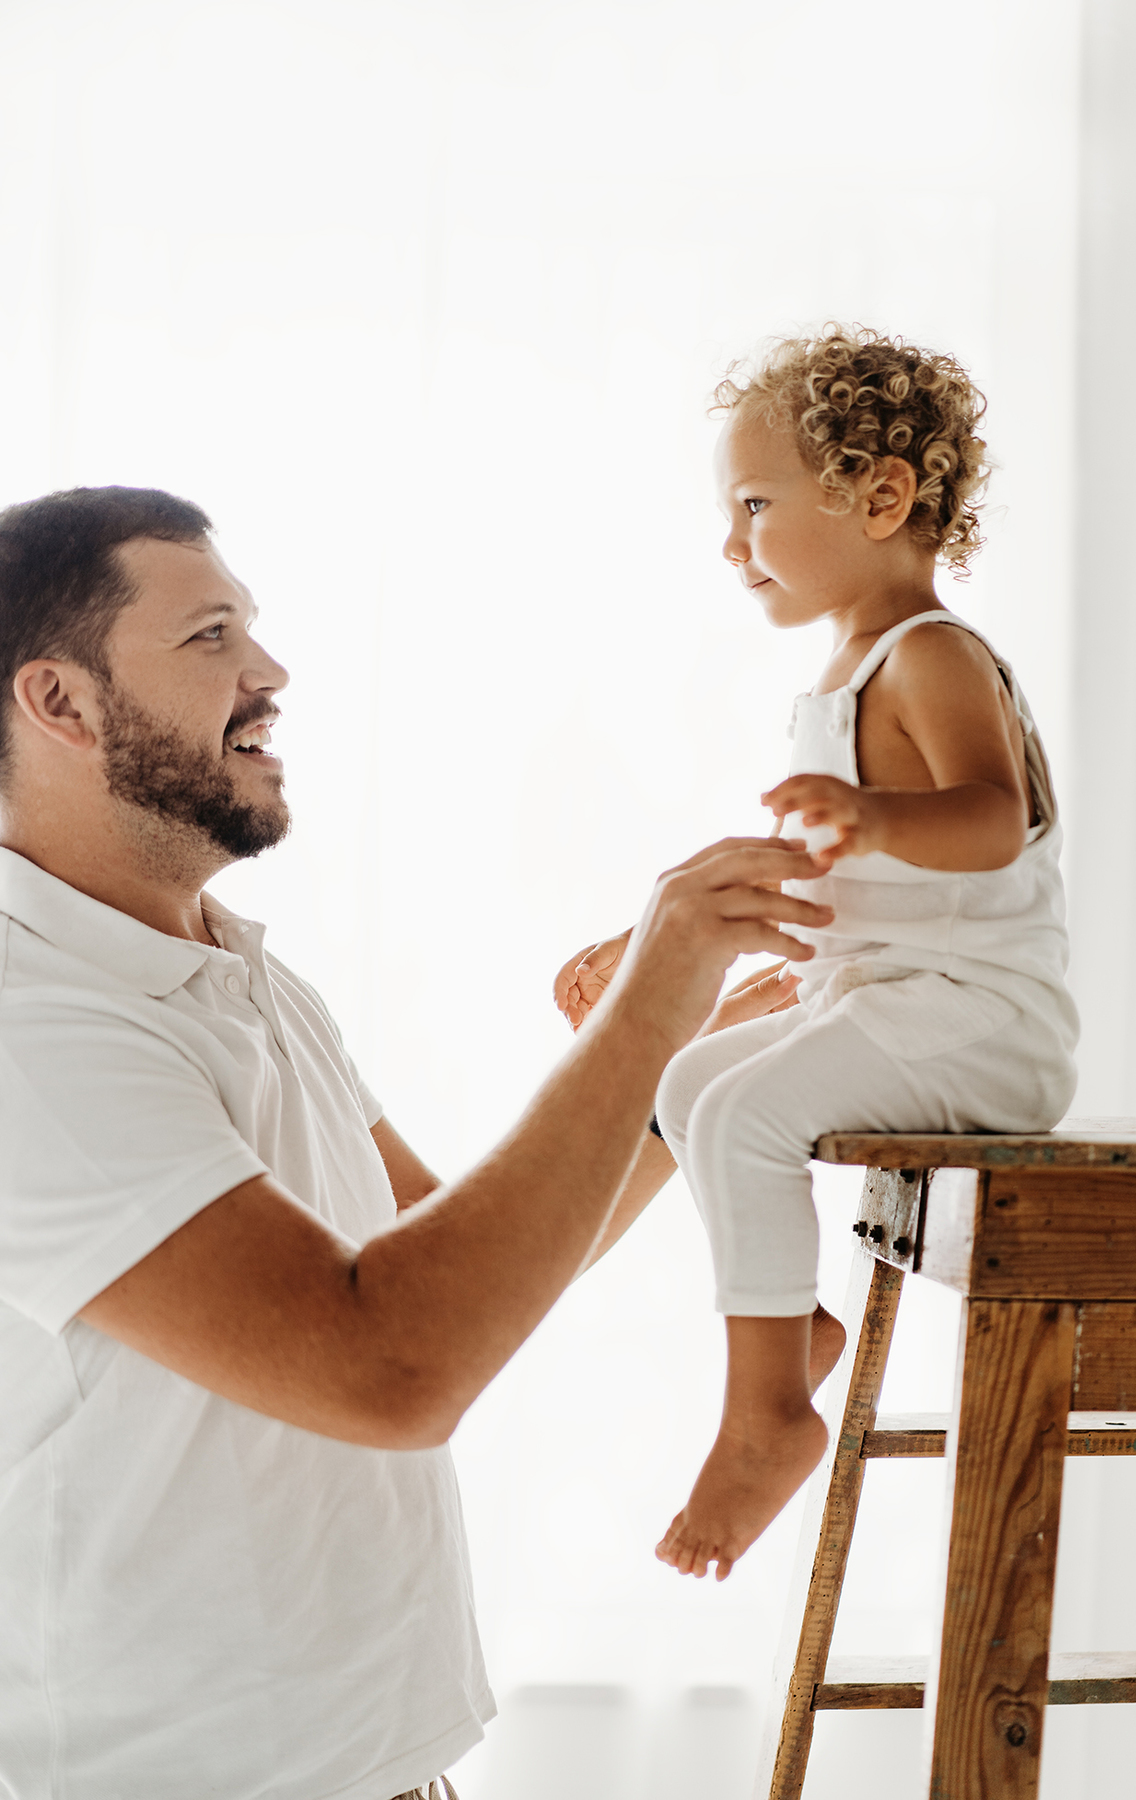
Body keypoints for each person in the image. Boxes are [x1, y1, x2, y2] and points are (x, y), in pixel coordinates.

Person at [0, 486, 833, 1800]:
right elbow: (390, 1365)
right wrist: (651, 994)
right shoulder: (29, 1028)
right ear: (63, 704)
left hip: (383, 1772)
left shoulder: (245, 980)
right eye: (211, 636)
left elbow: (453, 1264)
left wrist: (681, 1086)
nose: (269, 675)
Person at [555, 326, 1079, 1583]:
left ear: (879, 497)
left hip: (980, 1018)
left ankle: (766, 1411)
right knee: (689, 1086)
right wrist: (653, 940)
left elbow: (993, 820)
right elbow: (822, 871)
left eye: (753, 505)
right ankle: (792, 1339)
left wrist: (879, 819)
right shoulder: (839, 676)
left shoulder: (931, 655)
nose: (733, 543)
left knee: (738, 1113)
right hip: (896, 997)